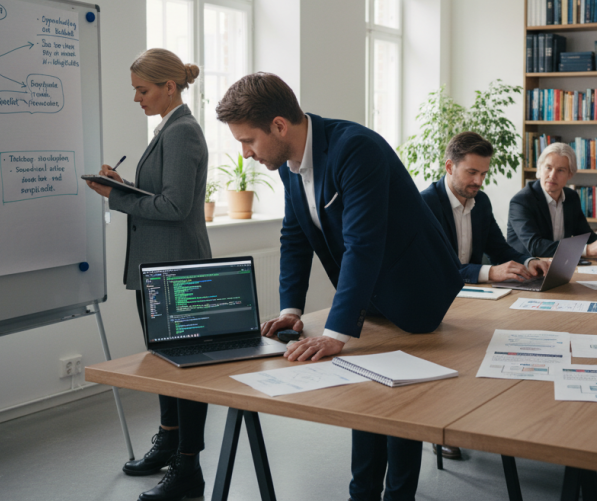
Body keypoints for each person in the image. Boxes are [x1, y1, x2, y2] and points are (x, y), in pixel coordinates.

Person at [215, 72, 463, 501]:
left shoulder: (355, 148)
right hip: (371, 297)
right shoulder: (289, 164)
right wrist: (291, 310)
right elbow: (295, 235)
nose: (245, 153)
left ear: (279, 125)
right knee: (367, 393)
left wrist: (335, 332)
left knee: (402, 404)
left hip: (415, 292)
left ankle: (398, 496)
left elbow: (363, 243)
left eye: (248, 141)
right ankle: (362, 494)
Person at [86, 48, 212, 501]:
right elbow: (161, 194)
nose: (136, 98)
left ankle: (188, 467)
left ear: (169, 87)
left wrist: (116, 197)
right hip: (157, 268)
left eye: (142, 90)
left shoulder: (182, 132)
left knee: (185, 371)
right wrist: (121, 186)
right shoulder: (168, 129)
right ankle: (169, 444)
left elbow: (175, 207)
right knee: (164, 363)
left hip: (176, 270)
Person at [420, 131, 548, 461]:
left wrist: (529, 262)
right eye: (472, 172)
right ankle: (441, 425)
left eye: (483, 173)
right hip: (437, 303)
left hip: (473, 301)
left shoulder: (482, 202)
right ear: (449, 167)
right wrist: (489, 272)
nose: (479, 181)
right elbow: (438, 268)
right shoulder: (425, 204)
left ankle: (475, 417)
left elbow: (500, 249)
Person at [507, 142, 597, 258]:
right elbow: (536, 246)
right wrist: (586, 250)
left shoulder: (571, 197)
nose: (552, 175)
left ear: (570, 175)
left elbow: (586, 236)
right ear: (539, 169)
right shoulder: (521, 201)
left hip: (560, 264)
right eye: (548, 168)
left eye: (560, 170)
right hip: (525, 266)